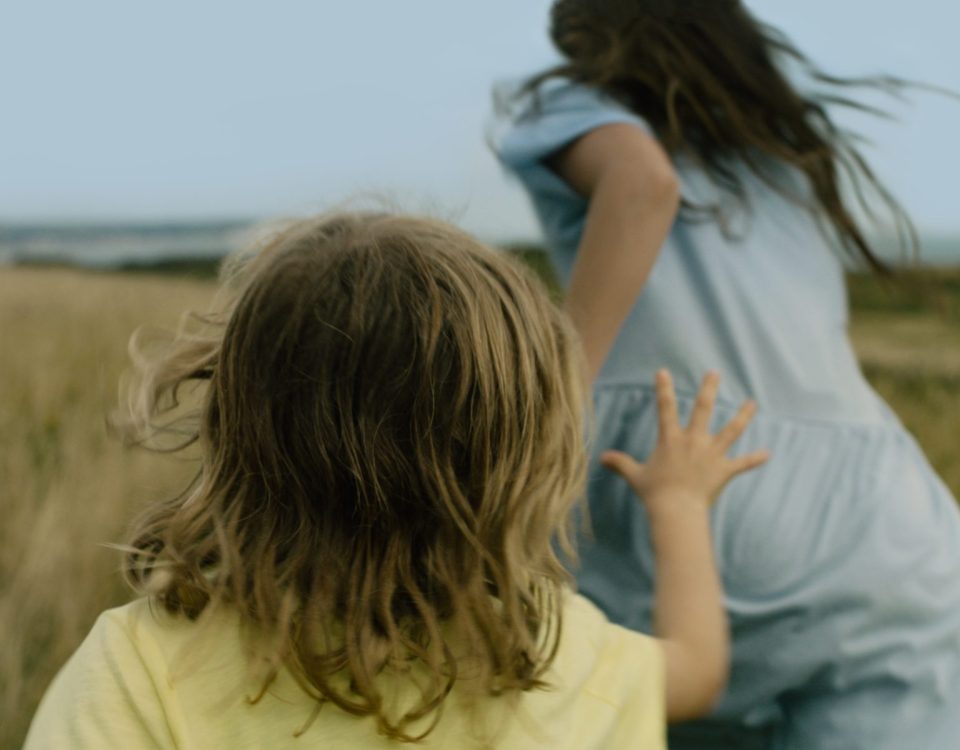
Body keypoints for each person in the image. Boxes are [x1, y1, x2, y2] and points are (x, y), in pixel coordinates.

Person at [24, 212, 766, 749]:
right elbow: (697, 671)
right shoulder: (561, 654)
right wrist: (678, 504)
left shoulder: (143, 668)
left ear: (241, 425)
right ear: (525, 465)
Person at [488, 1, 960, 747]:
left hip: (693, 472)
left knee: (635, 689)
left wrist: (555, 397)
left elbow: (643, 184)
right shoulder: (782, 152)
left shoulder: (574, 106)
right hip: (889, 515)